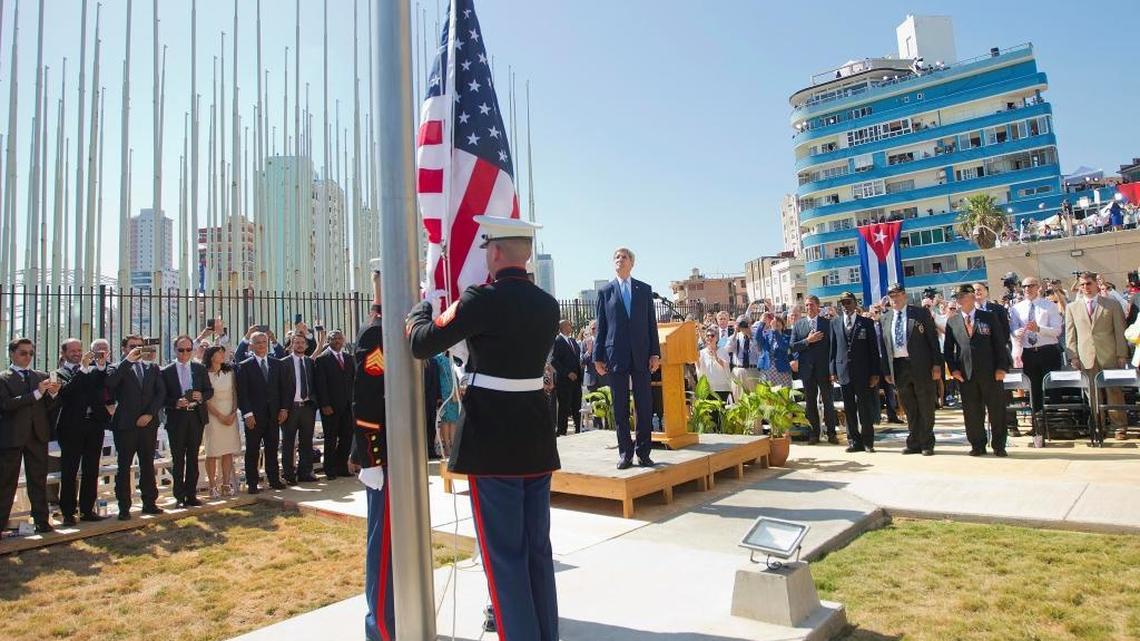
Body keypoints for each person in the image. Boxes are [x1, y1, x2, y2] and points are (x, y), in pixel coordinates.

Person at [409, 216, 561, 641]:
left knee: (504, 559)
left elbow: (422, 342)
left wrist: (423, 308)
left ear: (494, 252)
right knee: (536, 553)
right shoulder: (548, 304)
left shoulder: (482, 300)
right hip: (534, 439)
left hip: (493, 443)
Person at [350, 272, 395, 641]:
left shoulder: (397, 330)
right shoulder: (375, 335)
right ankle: (380, 628)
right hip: (384, 456)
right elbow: (365, 403)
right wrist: (371, 458)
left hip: (402, 454)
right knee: (382, 549)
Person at [593, 246, 661, 469]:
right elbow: (601, 327)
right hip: (615, 356)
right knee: (620, 407)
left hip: (641, 355)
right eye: (616, 257)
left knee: (644, 405)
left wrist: (655, 353)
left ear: (632, 263)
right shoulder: (606, 292)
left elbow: (651, 325)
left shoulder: (644, 290)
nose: (619, 260)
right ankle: (625, 453)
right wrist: (597, 357)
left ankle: (644, 452)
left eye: (623, 257)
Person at [0, 338, 61, 535]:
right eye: (23, 353)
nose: (27, 357)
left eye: (30, 353)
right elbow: (6, 405)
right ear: (12, 354)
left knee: (38, 480)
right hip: (13, 436)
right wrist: (36, 394)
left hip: (37, 435)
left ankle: (42, 521)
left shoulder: (40, 376)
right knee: (6, 482)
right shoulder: (4, 378)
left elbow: (49, 408)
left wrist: (53, 394)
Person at [944, 285, 1012, 456]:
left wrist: (1001, 367)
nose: (958, 300)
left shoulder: (988, 317)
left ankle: (999, 445)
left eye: (962, 296)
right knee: (972, 412)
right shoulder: (953, 321)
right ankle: (977, 444)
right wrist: (954, 370)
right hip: (966, 375)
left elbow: (999, 344)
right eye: (956, 297)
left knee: (996, 410)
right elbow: (948, 350)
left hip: (990, 373)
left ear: (972, 296)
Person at [105, 335, 167, 519]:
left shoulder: (152, 367)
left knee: (148, 463)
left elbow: (160, 392)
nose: (138, 349)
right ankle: (124, 507)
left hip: (148, 424)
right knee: (124, 466)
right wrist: (128, 361)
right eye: (133, 346)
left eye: (140, 346)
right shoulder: (115, 368)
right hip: (125, 425)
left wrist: (149, 414)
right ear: (124, 348)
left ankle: (149, 503)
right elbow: (110, 384)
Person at [53, 338, 110, 525]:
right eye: (73, 351)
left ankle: (87, 510)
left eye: (79, 350)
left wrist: (100, 366)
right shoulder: (58, 373)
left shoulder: (91, 369)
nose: (77, 353)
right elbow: (68, 392)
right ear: (64, 354)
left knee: (91, 469)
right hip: (71, 428)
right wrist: (84, 369)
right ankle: (68, 512)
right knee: (69, 471)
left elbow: (102, 385)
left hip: (93, 425)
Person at [881, 284, 942, 455]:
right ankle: (914, 441)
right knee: (908, 406)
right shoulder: (885, 318)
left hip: (920, 365)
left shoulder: (920, 313)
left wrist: (937, 364)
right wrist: (886, 370)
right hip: (899, 366)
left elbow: (933, 339)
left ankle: (927, 442)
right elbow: (884, 346)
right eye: (891, 295)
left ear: (904, 295)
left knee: (925, 403)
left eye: (897, 294)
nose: (894, 298)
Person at [1065, 271, 1129, 433]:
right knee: (1092, 394)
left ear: (1096, 284)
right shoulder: (1072, 307)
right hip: (1086, 356)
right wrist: (1073, 356)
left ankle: (1119, 427)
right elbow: (1070, 334)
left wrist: (1122, 354)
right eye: (1082, 284)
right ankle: (1098, 426)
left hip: (1110, 355)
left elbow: (1120, 331)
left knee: (1114, 391)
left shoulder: (1111, 304)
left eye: (1089, 283)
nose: (1085, 287)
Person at [161, 335, 214, 507]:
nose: (185, 353)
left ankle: (191, 494)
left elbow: (209, 391)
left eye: (189, 350)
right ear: (175, 350)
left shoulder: (199, 369)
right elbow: (161, 397)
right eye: (181, 350)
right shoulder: (166, 371)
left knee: (193, 457)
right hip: (177, 418)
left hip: (195, 417)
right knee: (178, 459)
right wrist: (175, 403)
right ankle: (179, 496)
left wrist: (201, 396)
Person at [236, 331, 290, 494]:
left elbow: (284, 389)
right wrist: (247, 414)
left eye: (264, 342)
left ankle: (273, 479)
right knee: (252, 450)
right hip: (254, 416)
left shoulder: (277, 364)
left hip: (273, 415)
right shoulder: (244, 366)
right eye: (258, 342)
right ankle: (252, 483)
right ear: (251, 345)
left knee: (272, 448)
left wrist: (284, 409)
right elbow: (242, 393)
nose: (261, 345)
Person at [830, 292, 881, 453]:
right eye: (843, 303)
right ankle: (853, 441)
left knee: (864, 407)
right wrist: (833, 370)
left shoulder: (866, 322)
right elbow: (833, 349)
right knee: (849, 408)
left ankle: (868, 441)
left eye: (848, 302)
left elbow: (873, 349)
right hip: (843, 370)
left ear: (855, 303)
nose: (845, 306)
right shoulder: (835, 323)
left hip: (863, 371)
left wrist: (875, 372)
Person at [1008, 277, 1064, 421]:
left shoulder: (1049, 305)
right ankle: (1038, 424)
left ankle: (1055, 423)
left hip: (1048, 350)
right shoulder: (1017, 308)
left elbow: (1057, 330)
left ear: (1038, 287)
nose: (1027, 289)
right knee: (1034, 390)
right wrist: (1016, 332)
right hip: (1029, 353)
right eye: (1025, 286)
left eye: (1031, 286)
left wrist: (1039, 329)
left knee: (1053, 389)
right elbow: (1013, 330)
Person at [791, 295, 838, 444]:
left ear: (818, 307)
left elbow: (833, 348)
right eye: (806, 305)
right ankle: (814, 434)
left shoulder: (827, 324)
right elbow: (792, 346)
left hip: (824, 370)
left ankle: (831, 433)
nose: (808, 308)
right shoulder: (799, 325)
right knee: (810, 404)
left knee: (828, 402)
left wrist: (832, 370)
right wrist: (808, 341)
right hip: (807, 370)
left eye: (811, 305)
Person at [313, 330, 355, 479]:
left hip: (347, 406)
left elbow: (353, 382)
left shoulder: (349, 358)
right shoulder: (322, 359)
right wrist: (324, 404)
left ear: (343, 341)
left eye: (339, 338)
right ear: (328, 341)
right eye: (334, 339)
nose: (337, 341)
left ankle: (341, 466)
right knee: (331, 438)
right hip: (330, 407)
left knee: (347, 437)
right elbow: (321, 384)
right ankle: (329, 468)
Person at [279, 332, 318, 485]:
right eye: (297, 342)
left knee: (306, 441)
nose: (300, 345)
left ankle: (305, 472)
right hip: (290, 408)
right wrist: (283, 408)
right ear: (292, 344)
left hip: (307, 407)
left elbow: (314, 383)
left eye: (302, 343)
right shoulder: (283, 363)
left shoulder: (310, 362)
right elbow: (280, 387)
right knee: (288, 442)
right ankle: (289, 474)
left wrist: (314, 402)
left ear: (306, 346)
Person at [202, 345, 241, 498]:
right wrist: (219, 416)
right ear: (211, 356)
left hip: (230, 413)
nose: (222, 355)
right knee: (212, 451)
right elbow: (206, 399)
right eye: (219, 352)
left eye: (223, 352)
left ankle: (226, 483)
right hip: (213, 415)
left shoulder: (229, 372)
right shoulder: (205, 373)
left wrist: (232, 412)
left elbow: (234, 393)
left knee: (227, 450)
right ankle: (212, 486)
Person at [868, 305, 902, 424]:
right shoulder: (868, 326)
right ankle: (876, 417)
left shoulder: (884, 326)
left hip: (886, 361)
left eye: (879, 312)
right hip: (874, 362)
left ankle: (892, 415)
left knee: (890, 390)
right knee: (874, 391)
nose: (877, 314)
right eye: (875, 312)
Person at [551, 319, 584, 436]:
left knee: (577, 406)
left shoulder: (573, 341)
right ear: (563, 327)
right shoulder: (557, 341)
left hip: (576, 381)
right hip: (564, 382)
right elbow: (554, 361)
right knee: (564, 407)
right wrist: (567, 373)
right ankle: (562, 431)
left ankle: (578, 430)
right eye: (569, 325)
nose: (571, 326)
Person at [726, 319, 762, 400]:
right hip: (738, 370)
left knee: (754, 399)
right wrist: (735, 332)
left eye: (745, 324)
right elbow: (728, 349)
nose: (743, 327)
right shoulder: (735, 336)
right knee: (739, 399)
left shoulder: (756, 336)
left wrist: (751, 336)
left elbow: (759, 351)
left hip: (753, 370)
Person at [755, 315, 794, 388]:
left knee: (782, 395)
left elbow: (783, 347)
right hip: (767, 370)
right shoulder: (767, 336)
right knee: (767, 396)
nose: (776, 324)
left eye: (778, 322)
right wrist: (762, 322)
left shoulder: (787, 337)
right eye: (774, 322)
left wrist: (775, 331)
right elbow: (757, 337)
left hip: (782, 371)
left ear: (783, 326)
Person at [434, 351, 460, 456]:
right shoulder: (438, 358)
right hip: (443, 393)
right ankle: (447, 447)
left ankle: (453, 446)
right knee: (445, 420)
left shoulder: (452, 358)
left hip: (453, 392)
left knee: (453, 420)